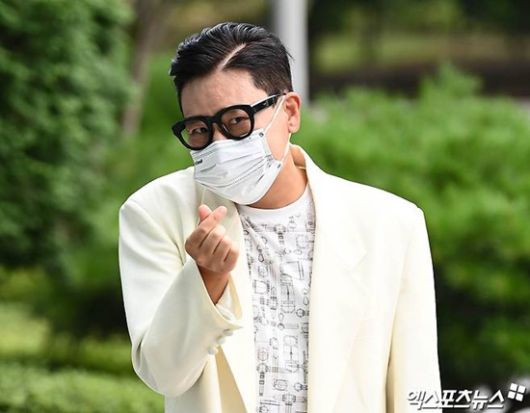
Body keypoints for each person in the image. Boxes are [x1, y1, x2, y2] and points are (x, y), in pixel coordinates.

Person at [118, 21, 442, 413]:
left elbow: (415, 386)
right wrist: (205, 280)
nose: (219, 145)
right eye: (200, 129)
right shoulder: (154, 212)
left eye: (237, 121)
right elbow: (163, 374)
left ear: (289, 112)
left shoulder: (391, 224)